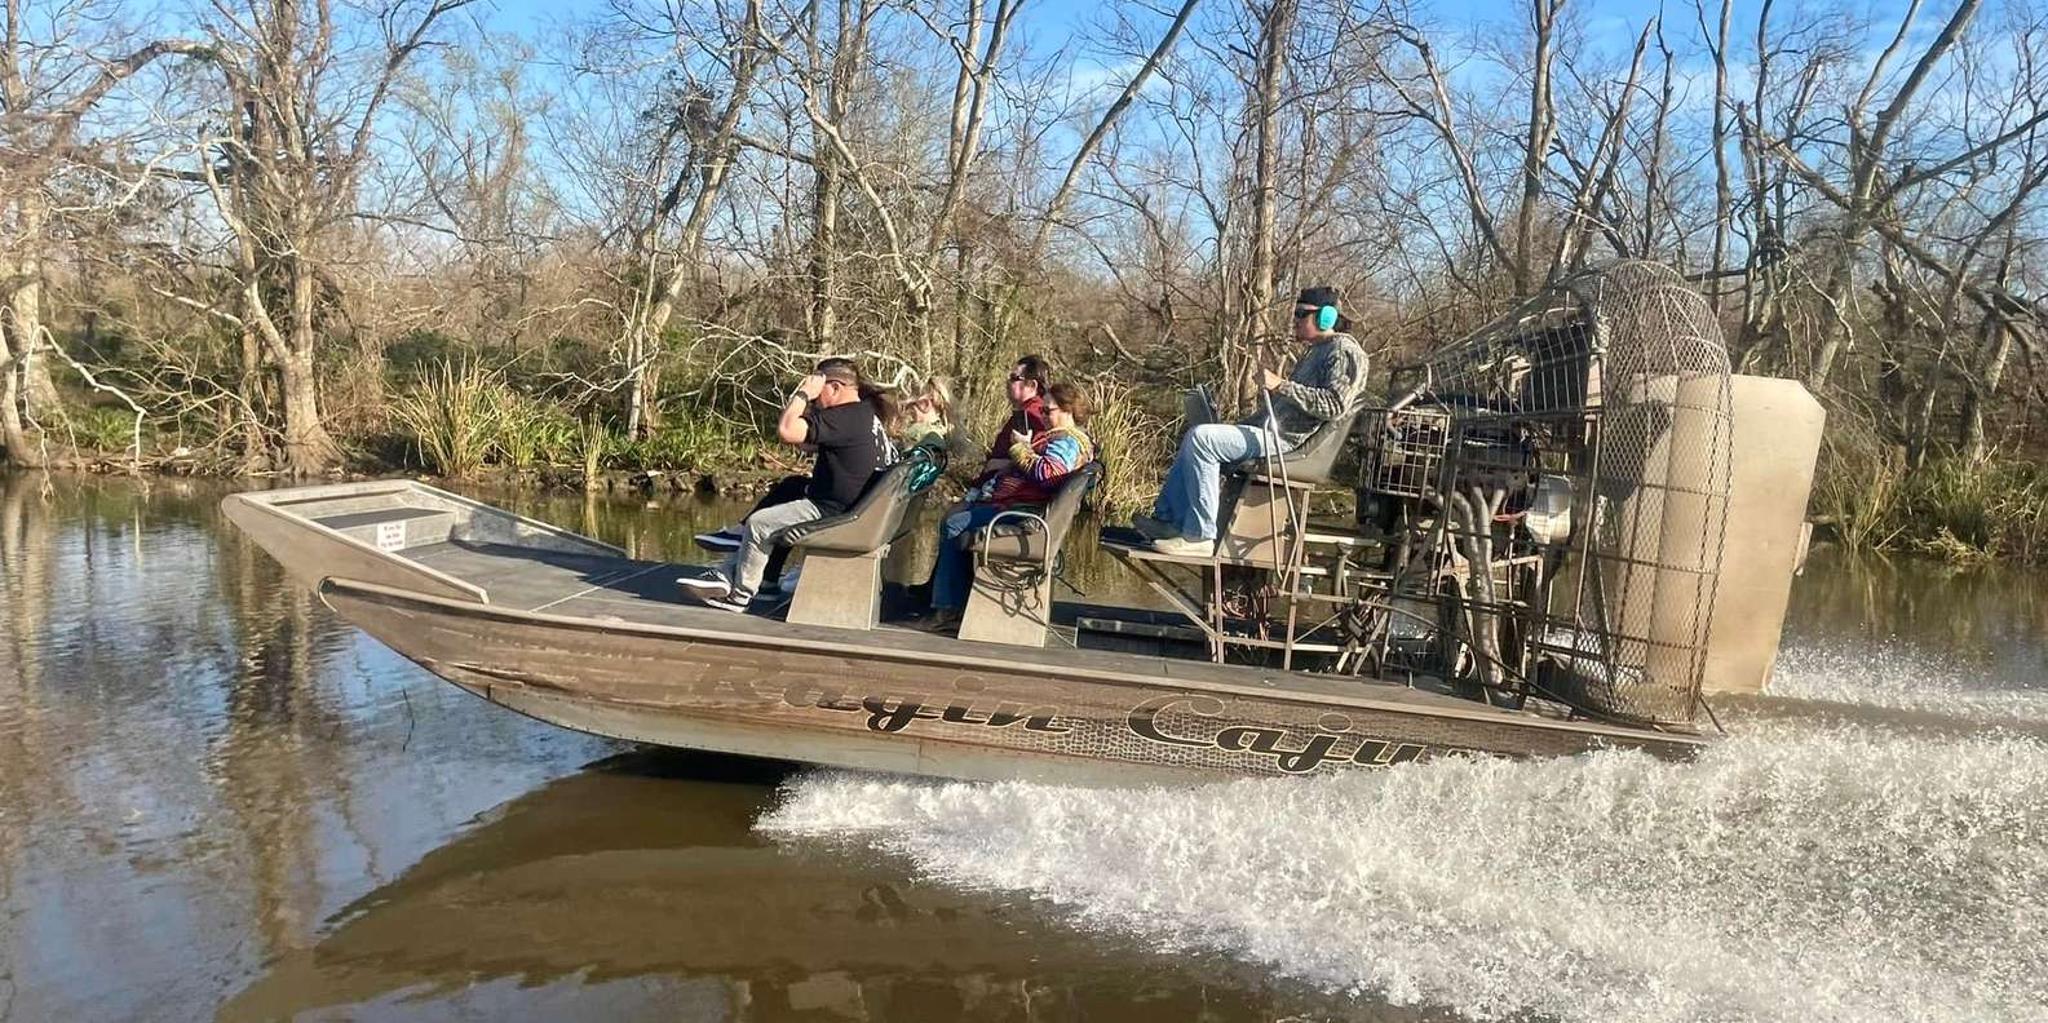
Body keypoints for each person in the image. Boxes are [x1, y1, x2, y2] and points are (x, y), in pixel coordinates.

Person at [1134, 286, 1369, 557]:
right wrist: (1235, 426)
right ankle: (1169, 522)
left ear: (1325, 318)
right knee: (1198, 435)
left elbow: (1334, 406)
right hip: (1270, 432)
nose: (1295, 319)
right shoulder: (1315, 351)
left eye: (1302, 314)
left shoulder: (1343, 350)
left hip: (1288, 442)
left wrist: (1281, 385)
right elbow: (1282, 407)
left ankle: (1200, 535)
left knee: (1203, 439)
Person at [680, 360, 891, 612]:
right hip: (858, 508)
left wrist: (802, 394)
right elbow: (805, 441)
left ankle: (738, 595)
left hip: (836, 512)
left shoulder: (844, 417)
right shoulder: (863, 415)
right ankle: (761, 574)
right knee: (793, 486)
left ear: (834, 387)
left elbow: (787, 430)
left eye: (818, 390)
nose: (814, 399)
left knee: (760, 524)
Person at [922, 382, 1094, 632]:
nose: (1043, 416)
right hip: (1022, 510)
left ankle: (947, 608)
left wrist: (1018, 448)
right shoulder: (1067, 439)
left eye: (1048, 411)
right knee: (958, 519)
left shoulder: (1067, 441)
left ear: (1068, 410)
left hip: (1025, 515)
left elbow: (1047, 473)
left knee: (954, 523)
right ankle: (950, 600)